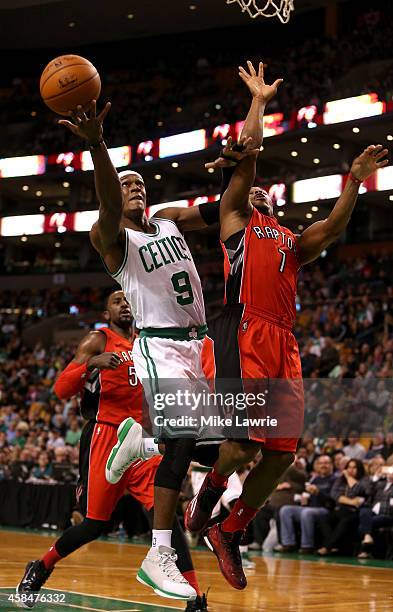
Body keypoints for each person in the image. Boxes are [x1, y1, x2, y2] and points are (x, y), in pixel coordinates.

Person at [184, 60, 389, 589]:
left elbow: (332, 229)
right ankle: (207, 496)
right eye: (249, 188)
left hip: (283, 339)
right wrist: (258, 103)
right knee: (242, 446)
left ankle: (230, 529)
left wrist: (355, 182)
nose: (254, 191)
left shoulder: (291, 244)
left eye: (260, 191)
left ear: (273, 203)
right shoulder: (235, 221)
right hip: (241, 328)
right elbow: (248, 156)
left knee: (282, 452)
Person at [17, 291, 207, 611]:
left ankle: (194, 599)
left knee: (165, 519)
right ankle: (42, 565)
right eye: (117, 300)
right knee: (94, 523)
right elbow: (61, 389)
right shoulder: (98, 340)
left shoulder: (148, 342)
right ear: (107, 313)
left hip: (144, 442)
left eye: (128, 299)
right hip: (107, 437)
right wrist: (91, 363)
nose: (125, 304)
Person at [279, 454, 336, 553]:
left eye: (326, 463)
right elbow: (307, 494)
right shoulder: (314, 479)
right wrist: (304, 499)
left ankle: (307, 545)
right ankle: (288, 543)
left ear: (331, 465)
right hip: (310, 507)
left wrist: (318, 492)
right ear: (317, 465)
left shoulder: (334, 479)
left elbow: (333, 500)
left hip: (326, 509)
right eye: (321, 463)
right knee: (286, 510)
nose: (323, 465)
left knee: (307, 512)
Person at [317, 459, 368, 555]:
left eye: (354, 467)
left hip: (355, 512)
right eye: (349, 467)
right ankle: (332, 546)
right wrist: (351, 501)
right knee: (323, 518)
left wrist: (348, 477)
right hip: (341, 509)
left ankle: (327, 547)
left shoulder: (365, 480)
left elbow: (357, 489)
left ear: (359, 469)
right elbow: (334, 494)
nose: (351, 470)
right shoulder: (340, 480)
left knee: (345, 520)